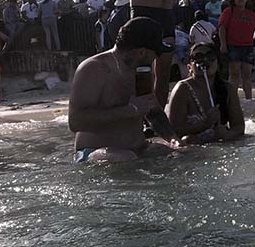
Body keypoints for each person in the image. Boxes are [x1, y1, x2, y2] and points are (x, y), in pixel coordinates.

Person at [68, 17, 178, 163]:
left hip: (137, 148)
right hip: (95, 152)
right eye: (156, 53)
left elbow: (153, 112)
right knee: (125, 158)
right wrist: (129, 110)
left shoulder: (141, 72)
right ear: (141, 52)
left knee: (181, 155)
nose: (156, 58)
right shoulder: (94, 69)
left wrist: (174, 140)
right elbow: (75, 122)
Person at [167, 44, 246, 144]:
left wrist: (227, 135)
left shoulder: (228, 89)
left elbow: (239, 127)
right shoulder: (182, 89)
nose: (205, 60)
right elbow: (173, 131)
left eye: (210, 57)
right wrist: (204, 125)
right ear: (189, 67)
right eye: (198, 57)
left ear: (217, 64)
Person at [218, 0, 255, 101]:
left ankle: (249, 99)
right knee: (234, 75)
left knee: (247, 76)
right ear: (234, 0)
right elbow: (222, 28)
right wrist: (223, 44)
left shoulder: (251, 14)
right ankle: (232, 100)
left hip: (248, 47)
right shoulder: (229, 11)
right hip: (233, 46)